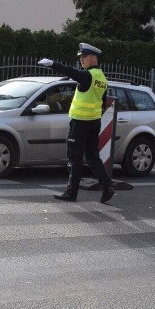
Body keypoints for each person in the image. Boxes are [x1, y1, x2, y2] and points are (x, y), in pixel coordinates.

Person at [38, 43, 115, 203]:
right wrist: (95, 118)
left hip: (80, 124)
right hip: (94, 122)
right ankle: (107, 186)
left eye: (84, 57)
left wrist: (53, 64)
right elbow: (102, 103)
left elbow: (71, 72)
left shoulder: (88, 76)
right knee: (93, 156)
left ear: (93, 58)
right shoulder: (102, 78)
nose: (81, 60)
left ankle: (71, 193)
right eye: (80, 57)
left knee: (75, 158)